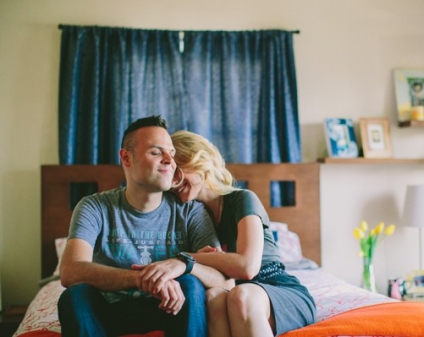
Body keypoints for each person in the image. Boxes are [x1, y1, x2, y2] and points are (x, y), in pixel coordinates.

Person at [58, 116, 229, 337]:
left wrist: (182, 265)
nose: (170, 160)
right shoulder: (95, 207)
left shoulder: (190, 211)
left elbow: (224, 280)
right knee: (75, 296)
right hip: (110, 310)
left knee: (190, 285)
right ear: (127, 158)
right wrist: (145, 279)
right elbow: (71, 271)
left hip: (170, 307)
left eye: (172, 154)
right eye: (156, 152)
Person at [170, 130, 316, 337]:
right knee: (213, 299)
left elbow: (248, 267)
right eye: (169, 174)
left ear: (200, 163)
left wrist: (187, 259)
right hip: (233, 291)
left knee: (241, 296)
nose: (173, 182)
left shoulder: (242, 199)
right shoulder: (191, 216)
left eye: (179, 171)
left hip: (276, 287)